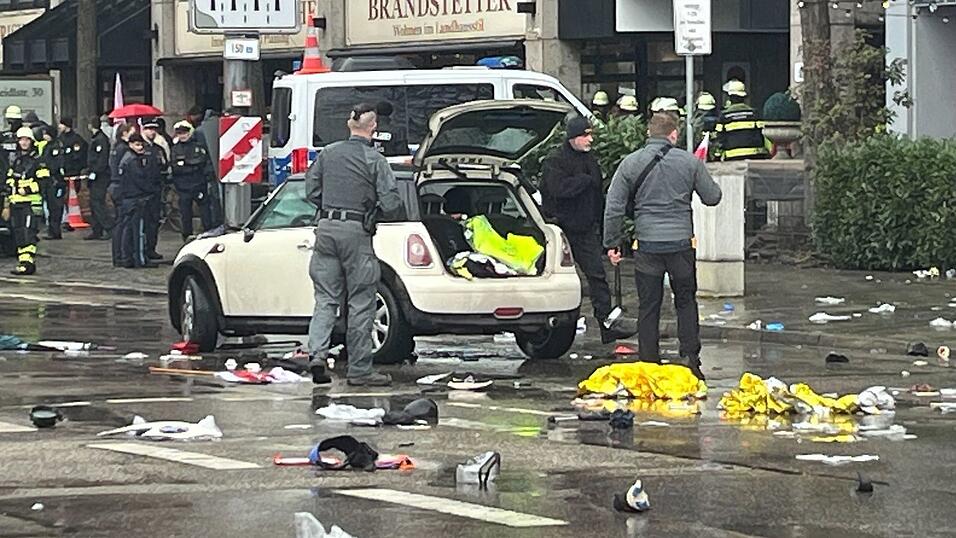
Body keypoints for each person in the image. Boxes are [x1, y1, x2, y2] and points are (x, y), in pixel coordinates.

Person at [603, 113, 722, 380]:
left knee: (649, 305)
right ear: (674, 135)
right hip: (680, 244)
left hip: (647, 246)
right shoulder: (690, 162)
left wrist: (612, 243)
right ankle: (690, 358)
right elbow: (712, 197)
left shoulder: (630, 163)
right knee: (685, 301)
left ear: (648, 134)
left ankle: (649, 362)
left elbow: (614, 207)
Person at [304, 103, 404, 387]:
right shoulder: (374, 160)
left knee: (325, 299)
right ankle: (360, 370)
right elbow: (392, 203)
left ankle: (317, 355)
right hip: (356, 233)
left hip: (325, 229)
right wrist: (375, 213)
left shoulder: (328, 153)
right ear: (374, 128)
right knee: (361, 301)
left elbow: (311, 190)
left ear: (350, 125)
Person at [540, 116, 637, 345]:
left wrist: (608, 235)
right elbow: (557, 190)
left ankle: (606, 322)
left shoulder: (590, 160)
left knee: (597, 276)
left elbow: (598, 197)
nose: (590, 140)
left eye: (591, 135)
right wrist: (583, 181)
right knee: (556, 277)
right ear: (573, 137)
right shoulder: (556, 161)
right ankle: (550, 321)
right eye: (585, 135)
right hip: (560, 230)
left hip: (585, 229)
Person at [3, 127, 47, 275]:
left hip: (30, 204)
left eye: (26, 140)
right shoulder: (16, 159)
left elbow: (44, 182)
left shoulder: (38, 160)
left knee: (28, 234)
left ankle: (28, 264)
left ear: (31, 141)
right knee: (19, 235)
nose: (24, 142)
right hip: (16, 203)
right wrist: (8, 199)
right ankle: (24, 263)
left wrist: (27, 189)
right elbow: (9, 178)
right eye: (21, 139)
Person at [115, 134, 156, 268]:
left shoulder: (127, 158)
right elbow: (139, 180)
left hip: (128, 198)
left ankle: (126, 258)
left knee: (127, 229)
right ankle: (139, 259)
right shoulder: (132, 160)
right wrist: (151, 190)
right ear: (131, 144)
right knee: (136, 231)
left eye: (141, 145)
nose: (140, 148)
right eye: (137, 145)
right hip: (135, 198)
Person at [170, 120, 215, 242]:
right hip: (183, 187)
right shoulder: (175, 148)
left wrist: (186, 163)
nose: (182, 136)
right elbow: (175, 167)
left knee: (205, 211)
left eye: (184, 133)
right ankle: (187, 236)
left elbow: (200, 161)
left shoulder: (197, 145)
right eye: (179, 133)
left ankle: (208, 232)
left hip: (198, 184)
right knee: (185, 214)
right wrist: (189, 165)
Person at [714, 80, 772, 161]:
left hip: (733, 157)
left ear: (730, 97)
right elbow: (764, 135)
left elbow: (719, 139)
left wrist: (717, 156)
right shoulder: (754, 113)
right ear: (744, 97)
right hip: (755, 156)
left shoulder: (724, 117)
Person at [110, 122, 137, 265]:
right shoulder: (124, 149)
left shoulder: (116, 148)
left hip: (115, 186)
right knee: (123, 222)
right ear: (124, 134)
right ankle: (121, 255)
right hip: (121, 188)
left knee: (120, 222)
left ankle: (118, 255)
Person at [141, 119, 169, 260]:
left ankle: (151, 248)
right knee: (144, 222)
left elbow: (164, 166)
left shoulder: (158, 149)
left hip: (157, 190)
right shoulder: (141, 148)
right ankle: (143, 248)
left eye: (154, 129)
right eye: (148, 129)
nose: (151, 132)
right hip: (143, 191)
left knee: (154, 221)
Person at [85, 117, 114, 240]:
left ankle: (109, 227)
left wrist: (95, 172)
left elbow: (101, 160)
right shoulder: (96, 138)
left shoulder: (101, 139)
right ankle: (97, 229)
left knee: (98, 202)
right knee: (93, 203)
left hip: (100, 176)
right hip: (94, 175)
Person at [37, 126, 65, 239]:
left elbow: (56, 164)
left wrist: (47, 168)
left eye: (46, 134)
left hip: (55, 181)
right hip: (47, 181)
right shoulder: (47, 146)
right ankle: (52, 230)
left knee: (55, 207)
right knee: (50, 206)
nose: (44, 136)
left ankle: (55, 231)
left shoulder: (55, 147)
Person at [1, 105, 23, 176]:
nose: (9, 124)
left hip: (20, 169)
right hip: (3, 170)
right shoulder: (3, 136)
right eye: (8, 121)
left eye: (12, 121)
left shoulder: (25, 134)